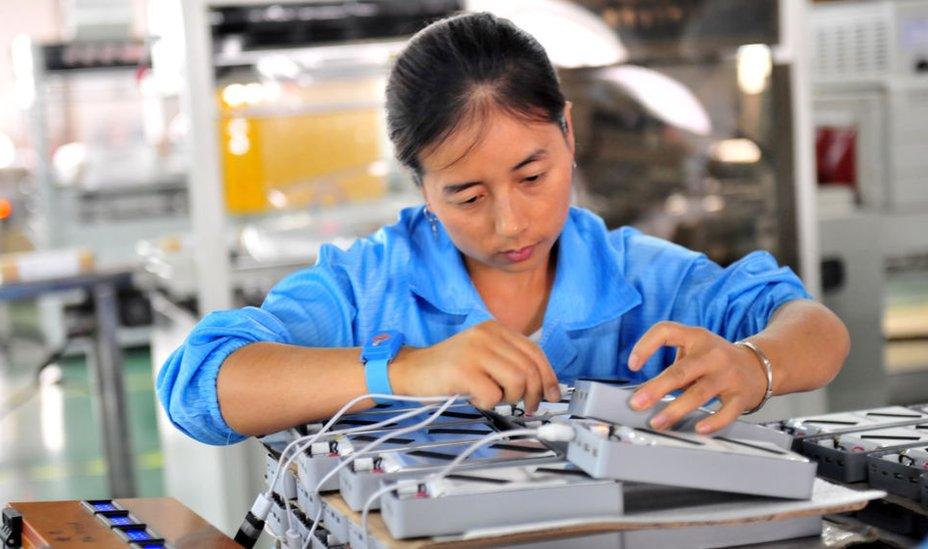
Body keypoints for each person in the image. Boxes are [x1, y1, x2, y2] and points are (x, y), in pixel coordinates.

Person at [157, 12, 849, 446]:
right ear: (420, 184)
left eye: (532, 176)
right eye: (465, 194)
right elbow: (196, 384)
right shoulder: (370, 286)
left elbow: (815, 328)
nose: (511, 221)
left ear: (568, 133)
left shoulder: (638, 278)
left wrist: (754, 363)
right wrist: (404, 370)